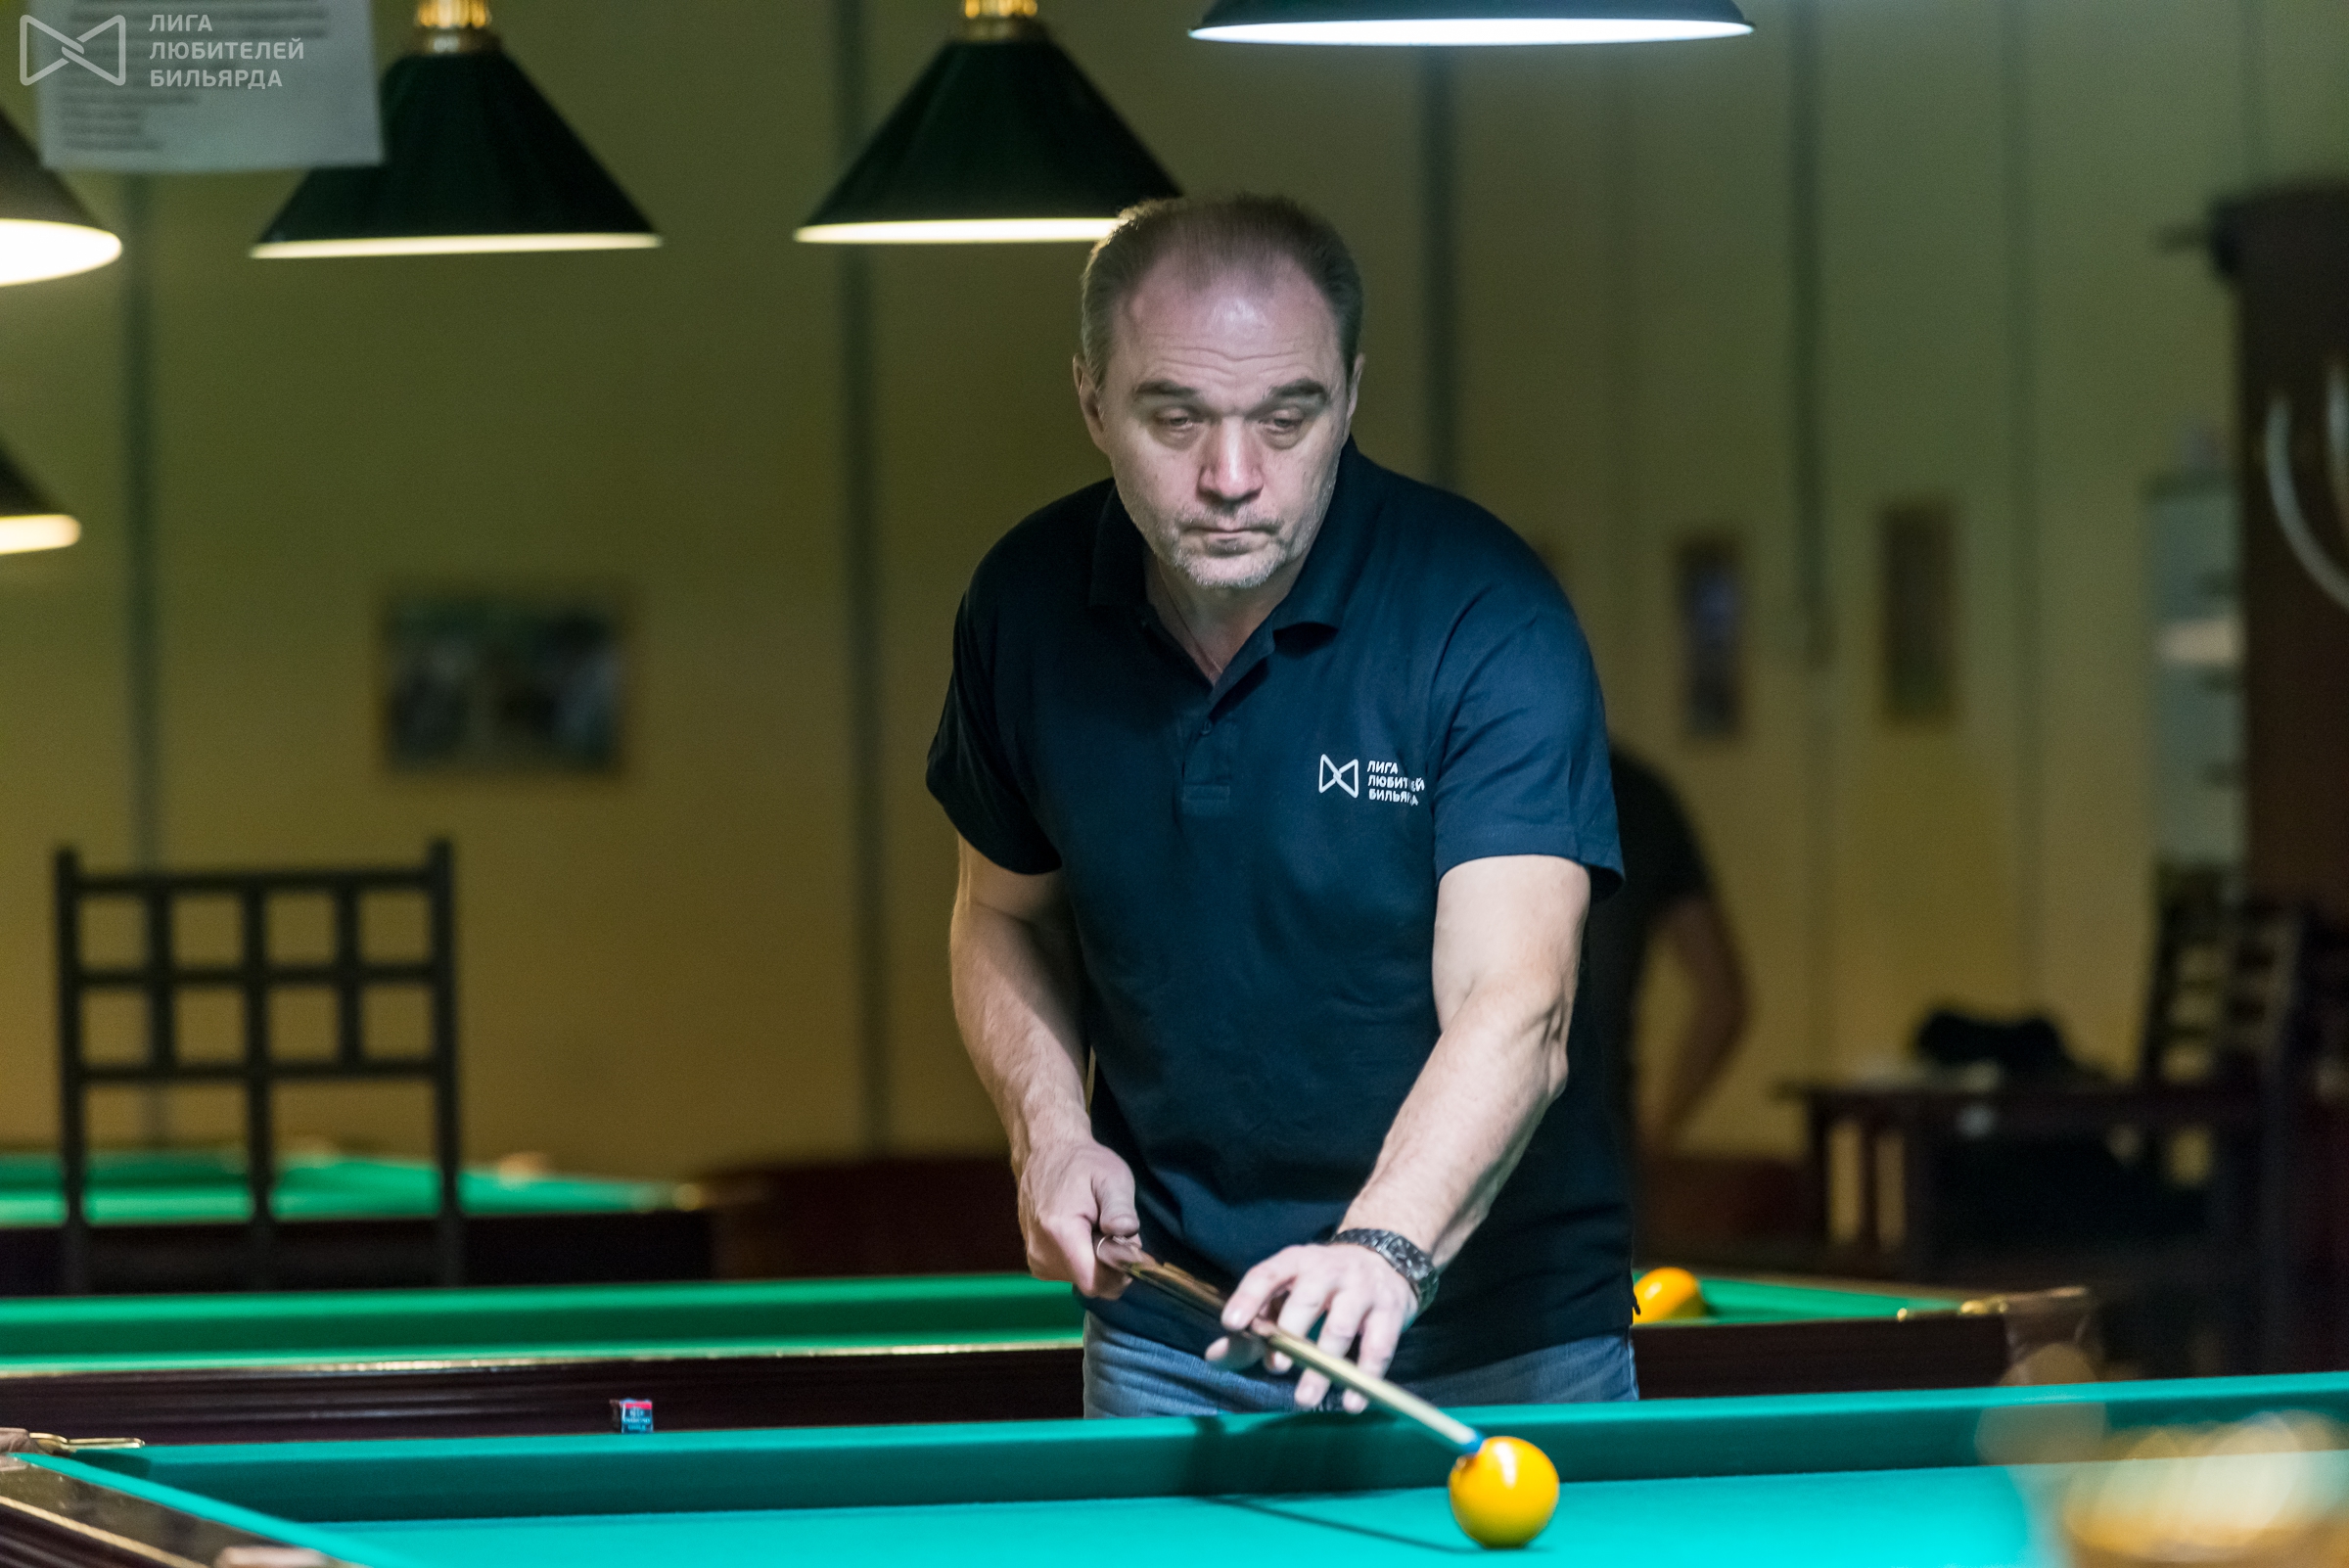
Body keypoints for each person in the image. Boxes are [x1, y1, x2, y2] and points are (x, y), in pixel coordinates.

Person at [927, 195, 1629, 1418]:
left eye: (1285, 418)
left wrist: (1385, 1245)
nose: (1232, 478)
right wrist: (1049, 1129)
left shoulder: (1482, 614)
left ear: (1349, 398)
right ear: (1092, 401)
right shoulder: (1024, 607)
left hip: (1497, 1342)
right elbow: (1002, 914)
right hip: (1175, 1333)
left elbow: (1519, 1000)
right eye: (1176, 418)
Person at [1573, 744, 1747, 1161]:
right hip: (1599, 1143)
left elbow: (1723, 1000)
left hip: (1581, 1143)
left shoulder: (1454, 780)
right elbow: (1725, 998)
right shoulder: (1636, 795)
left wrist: (1654, 1138)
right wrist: (1654, 1140)